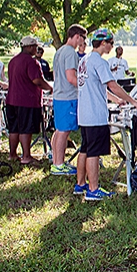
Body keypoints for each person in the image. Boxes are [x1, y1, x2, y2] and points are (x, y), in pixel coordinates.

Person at [75, 28, 137, 201]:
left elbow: (100, 87)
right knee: (93, 153)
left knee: (85, 148)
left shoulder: (85, 60)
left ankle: (80, 183)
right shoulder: (99, 61)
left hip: (84, 113)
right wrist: (132, 100)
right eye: (111, 43)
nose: (112, 46)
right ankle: (93, 189)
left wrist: (116, 100)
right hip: (95, 114)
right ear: (103, 42)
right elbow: (112, 85)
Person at [6, 36, 53, 165]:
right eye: (35, 47)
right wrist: (49, 88)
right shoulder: (31, 62)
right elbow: (37, 80)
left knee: (14, 128)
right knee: (25, 129)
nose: (36, 49)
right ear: (30, 47)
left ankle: (12, 154)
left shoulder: (13, 61)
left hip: (11, 99)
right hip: (27, 100)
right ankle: (26, 156)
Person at [51, 24, 87, 176]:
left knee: (59, 131)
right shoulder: (70, 53)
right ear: (77, 36)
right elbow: (71, 77)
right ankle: (59, 165)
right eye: (83, 38)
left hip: (59, 95)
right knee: (64, 132)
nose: (83, 42)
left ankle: (56, 162)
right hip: (68, 97)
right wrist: (85, 87)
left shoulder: (59, 51)